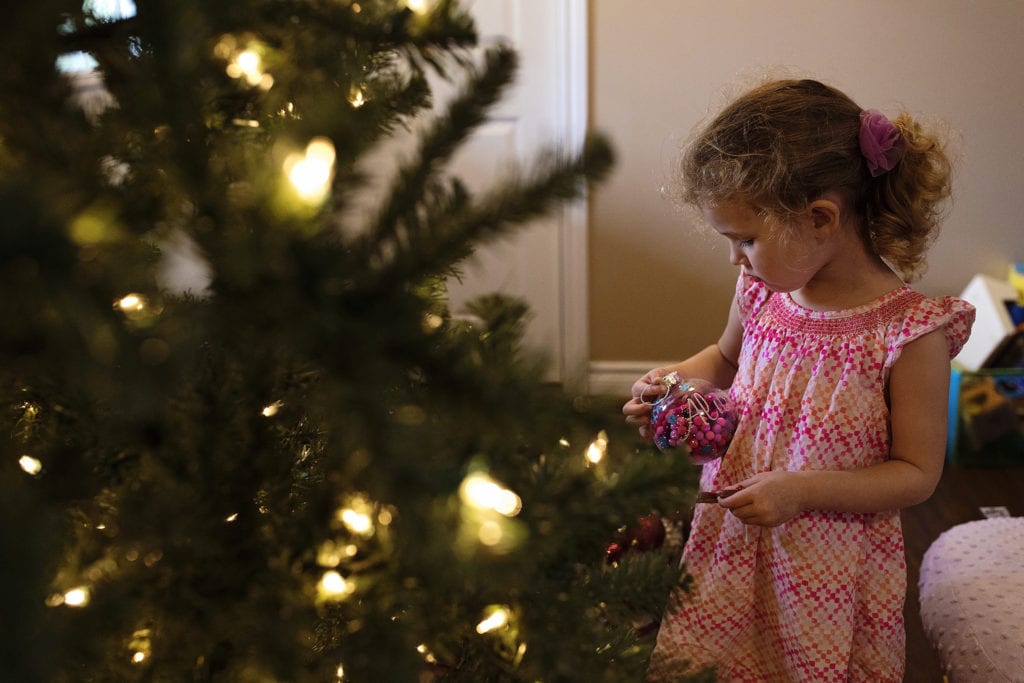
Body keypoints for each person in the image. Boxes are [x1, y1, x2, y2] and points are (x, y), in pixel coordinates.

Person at [622, 78, 974, 682]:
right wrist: (673, 380)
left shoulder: (910, 333)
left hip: (824, 561)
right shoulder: (762, 291)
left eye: (746, 240)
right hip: (736, 537)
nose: (735, 259)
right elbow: (724, 361)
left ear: (820, 218)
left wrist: (800, 490)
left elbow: (916, 475)